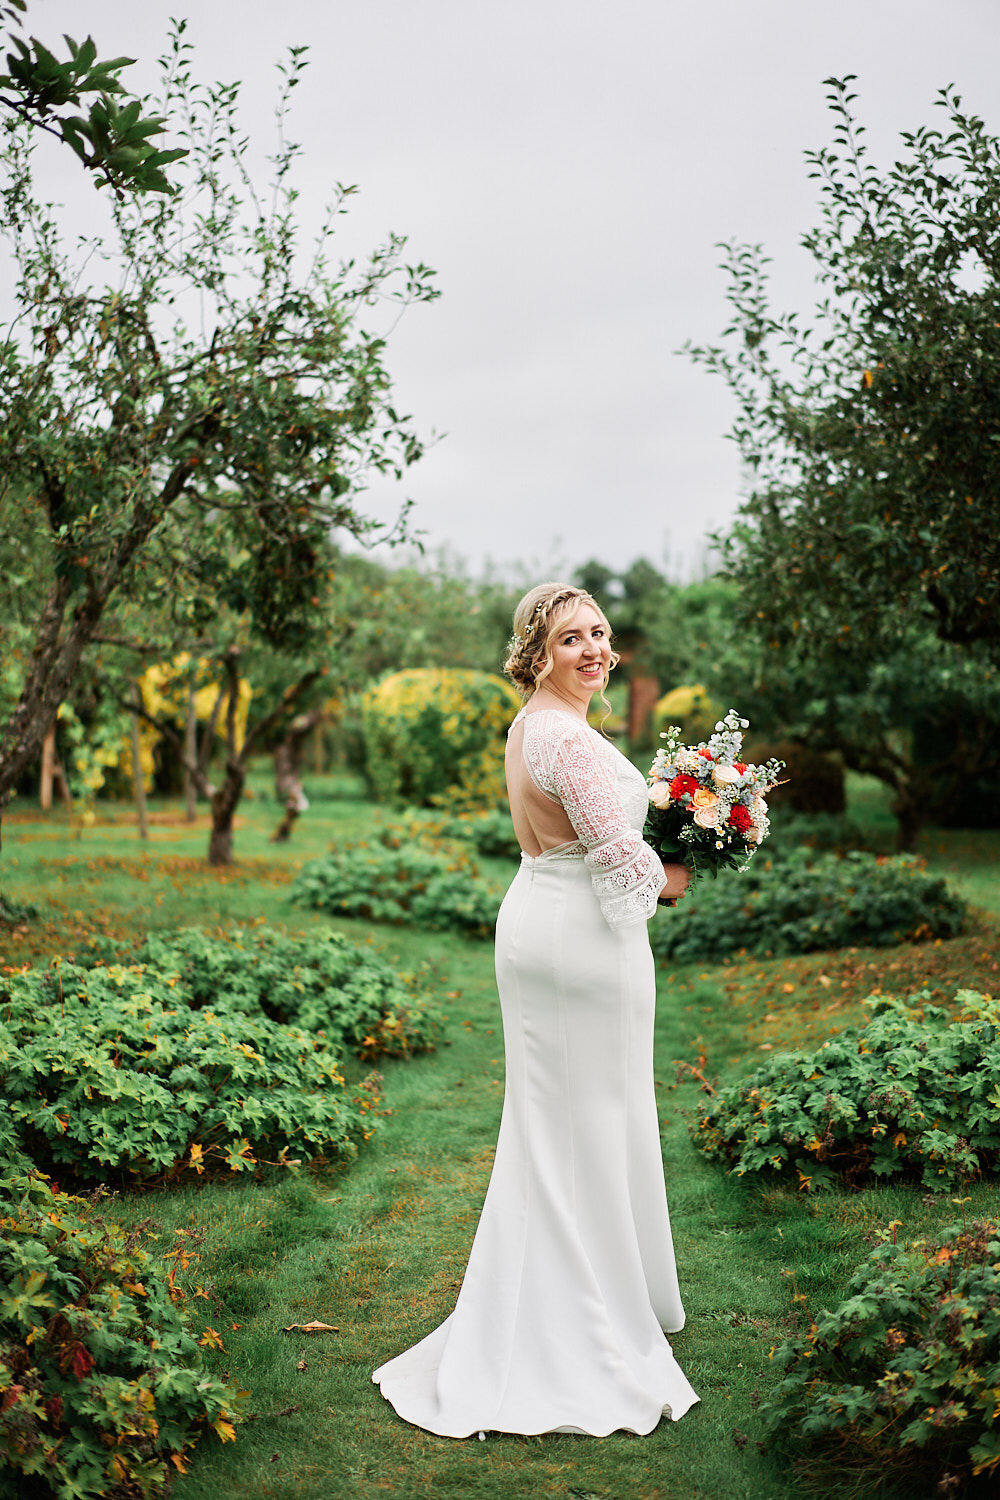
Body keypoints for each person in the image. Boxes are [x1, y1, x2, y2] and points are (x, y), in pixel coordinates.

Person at [372, 582, 699, 1437]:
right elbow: (625, 865)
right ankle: (579, 1327)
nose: (592, 650)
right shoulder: (571, 740)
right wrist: (687, 867)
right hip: (581, 941)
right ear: (538, 654)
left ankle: (562, 1295)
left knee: (556, 1119)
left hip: (541, 921)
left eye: (599, 633)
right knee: (591, 1117)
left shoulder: (533, 727)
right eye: (569, 640)